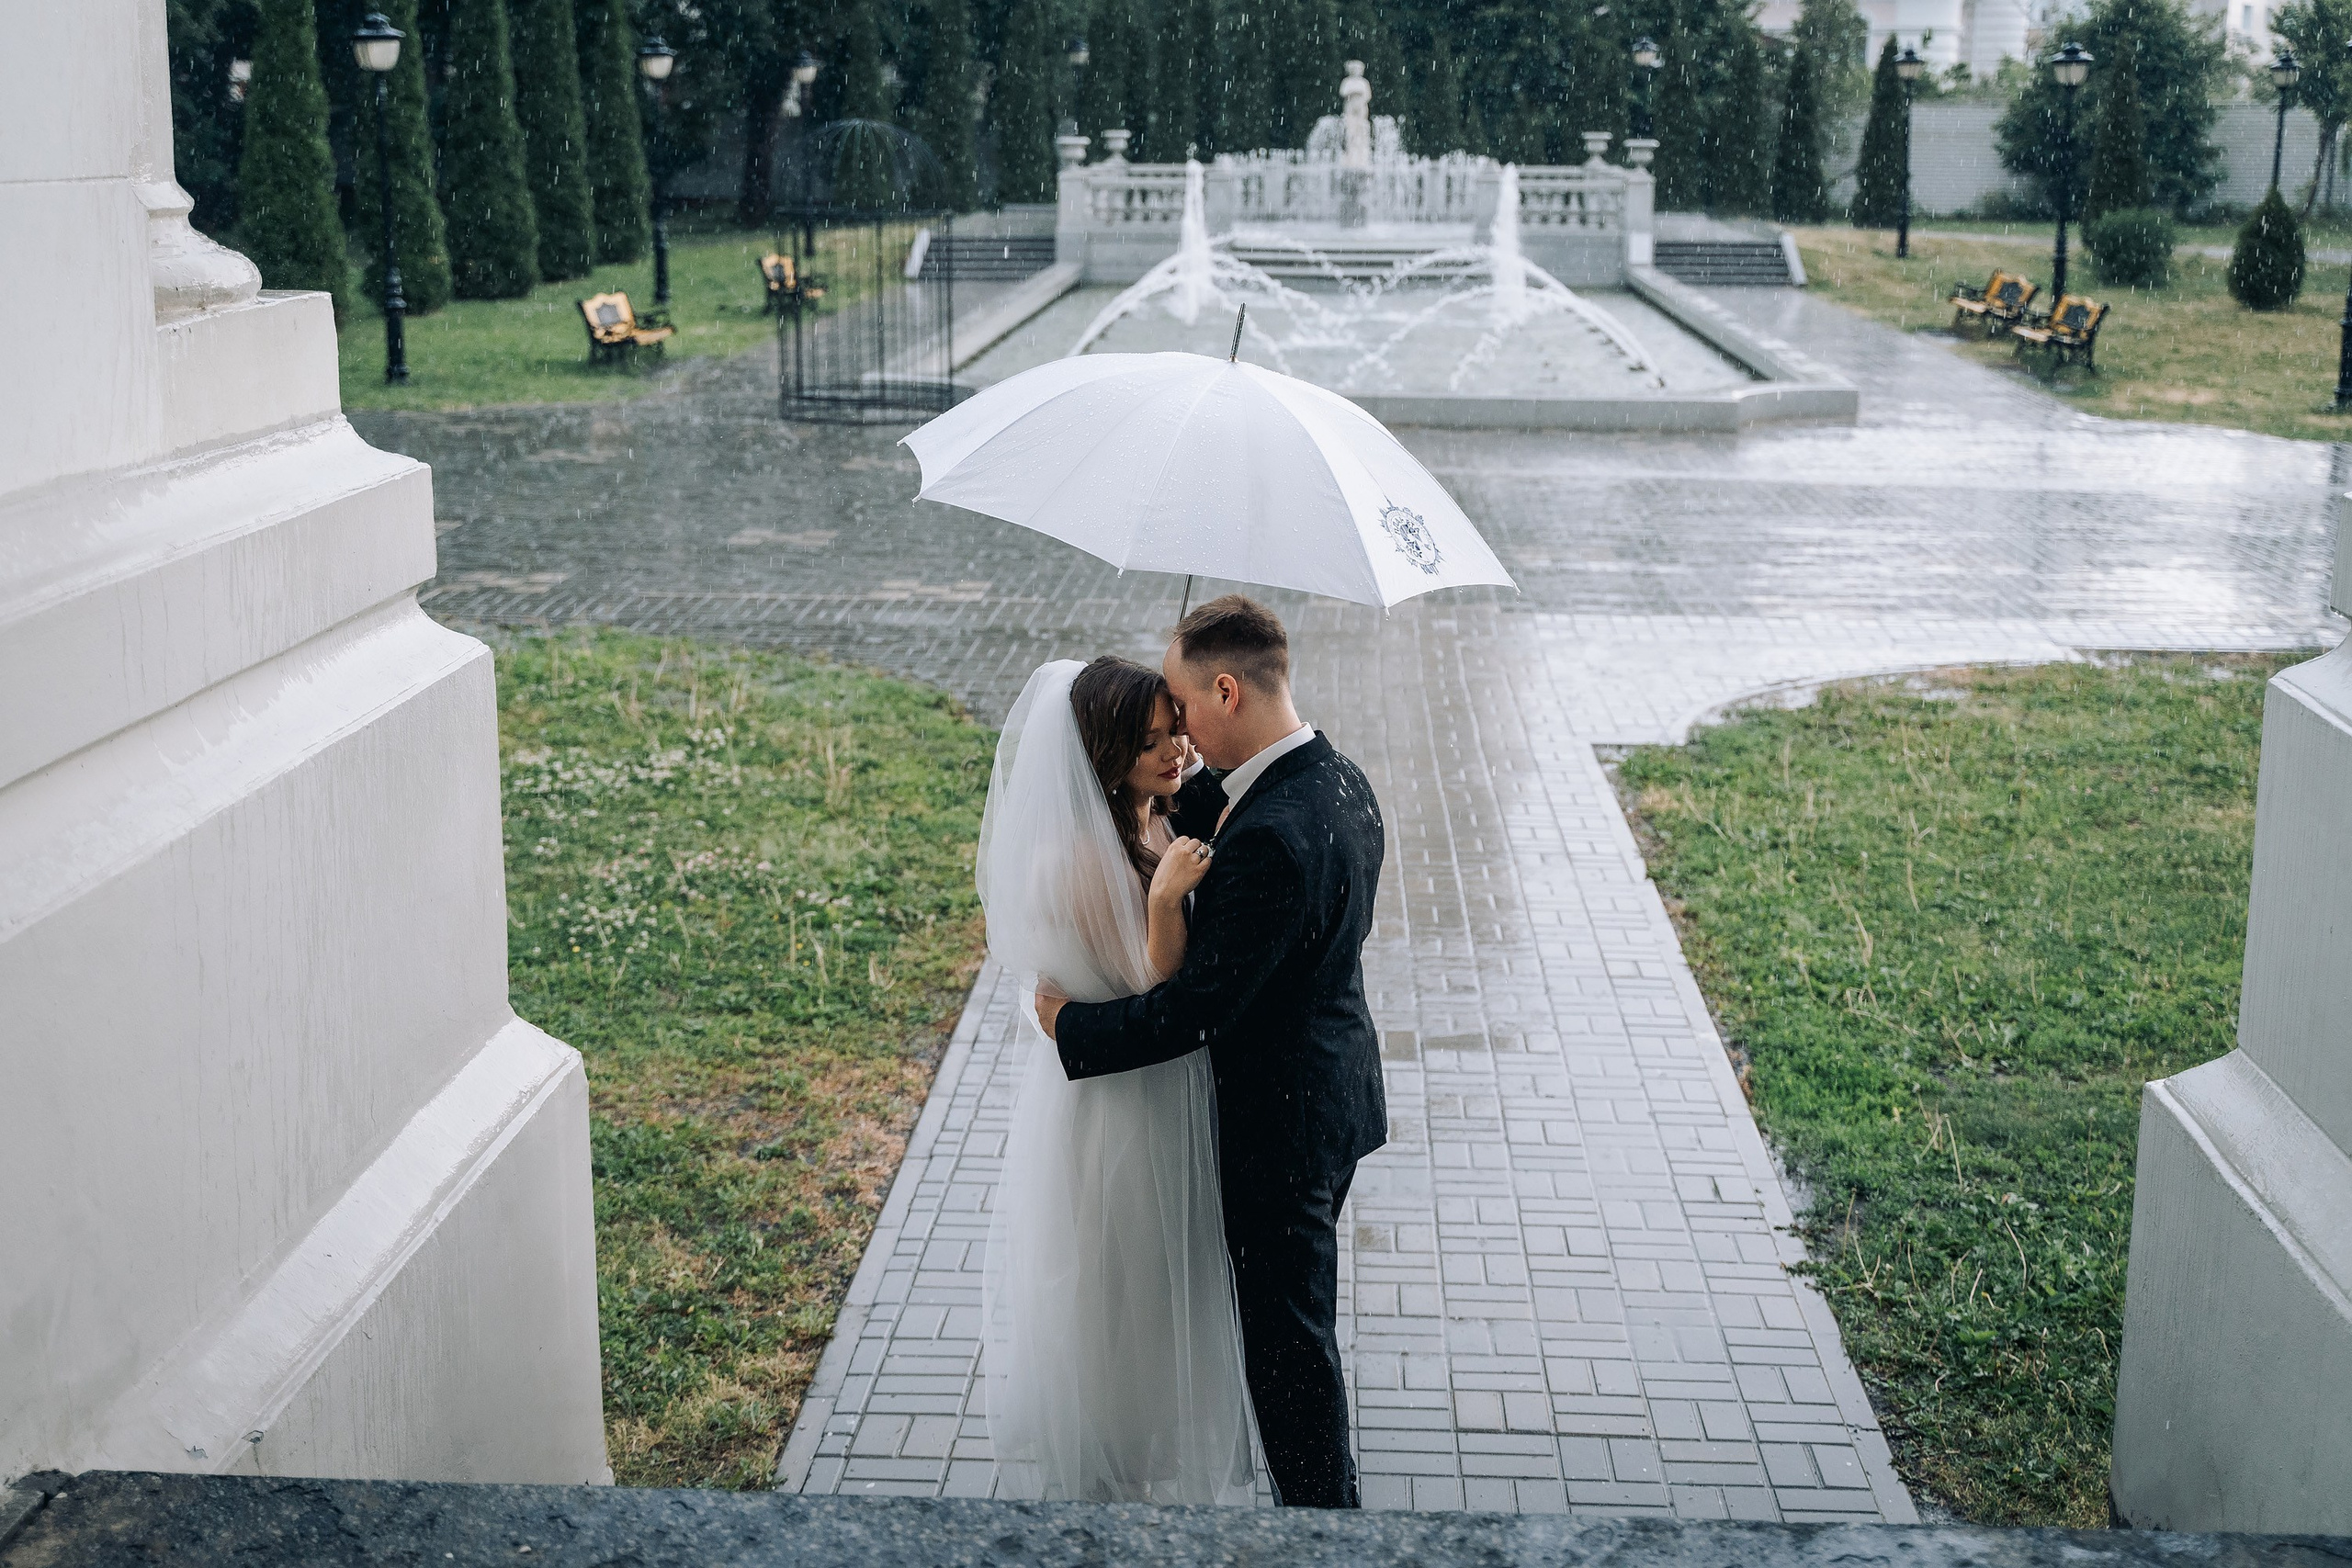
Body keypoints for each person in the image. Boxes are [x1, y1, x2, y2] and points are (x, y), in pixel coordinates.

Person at [1036, 595, 1387, 1509]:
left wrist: (1068, 1027)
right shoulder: (1333, 776)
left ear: (1224, 690)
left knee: (1289, 1356)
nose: (1179, 733)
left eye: (1184, 708)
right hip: (1330, 1098)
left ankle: (1326, 1526)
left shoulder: (1273, 833)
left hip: (1280, 1130)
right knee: (1292, 1336)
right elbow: (1206, 817)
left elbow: (1195, 1009)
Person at [978, 653, 1254, 1504]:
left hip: (1160, 1093)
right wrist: (1166, 901)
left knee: (1159, 1291)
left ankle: (1135, 1461)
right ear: (1103, 754)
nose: (1174, 751)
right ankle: (1109, 1480)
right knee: (1117, 1292)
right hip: (1115, 1110)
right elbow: (1152, 988)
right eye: (1149, 743)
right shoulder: (1077, 858)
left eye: (1174, 729)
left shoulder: (1153, 820)